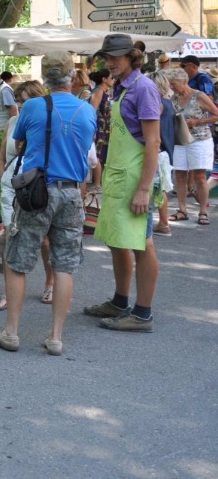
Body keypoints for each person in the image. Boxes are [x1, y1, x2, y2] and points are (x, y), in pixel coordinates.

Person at [0, 51, 96, 356]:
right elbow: (85, 148)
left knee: (17, 261)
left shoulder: (33, 107)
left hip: (38, 192)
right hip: (72, 193)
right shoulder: (87, 111)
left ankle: (11, 332)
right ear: (72, 77)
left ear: (45, 79)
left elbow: (20, 143)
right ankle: (56, 337)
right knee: (64, 265)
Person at [88, 35, 161, 333]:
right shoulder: (120, 87)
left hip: (135, 178)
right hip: (119, 175)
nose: (109, 62)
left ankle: (142, 314)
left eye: (115, 57)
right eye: (106, 57)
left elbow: (153, 142)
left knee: (142, 244)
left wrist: (144, 188)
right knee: (117, 240)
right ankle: (120, 302)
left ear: (132, 57)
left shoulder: (144, 88)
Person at [0, 79, 49, 312]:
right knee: (9, 238)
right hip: (12, 187)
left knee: (44, 240)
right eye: (19, 101)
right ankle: (8, 292)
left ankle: (51, 282)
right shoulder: (13, 122)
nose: (22, 106)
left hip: (35, 188)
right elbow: (2, 156)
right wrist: (3, 176)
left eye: (26, 101)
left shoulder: (46, 124)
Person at [166, 66, 217, 226]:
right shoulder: (172, 98)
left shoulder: (199, 96)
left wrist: (197, 121)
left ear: (185, 81)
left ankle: (203, 211)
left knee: (200, 177)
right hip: (180, 140)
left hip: (200, 140)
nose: (172, 87)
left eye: (174, 84)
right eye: (170, 84)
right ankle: (182, 210)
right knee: (180, 175)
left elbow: (216, 114)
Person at [145, 70, 177, 236]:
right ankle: (163, 222)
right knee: (162, 187)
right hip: (167, 149)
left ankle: (164, 222)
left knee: (159, 188)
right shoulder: (169, 102)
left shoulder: (158, 104)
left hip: (160, 149)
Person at [88, 67, 114, 166]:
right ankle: (98, 181)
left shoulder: (101, 91)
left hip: (103, 128)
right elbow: (92, 111)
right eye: (111, 78)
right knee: (99, 156)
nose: (113, 80)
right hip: (99, 128)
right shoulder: (99, 91)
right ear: (104, 79)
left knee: (102, 156)